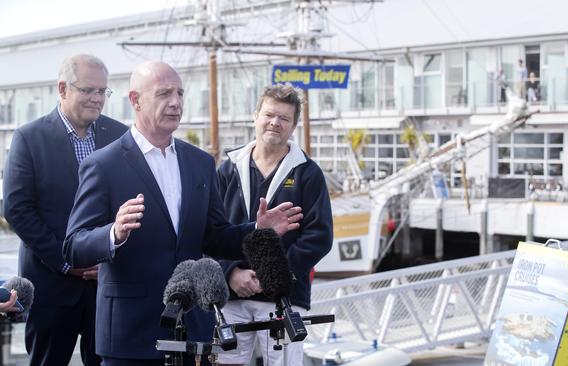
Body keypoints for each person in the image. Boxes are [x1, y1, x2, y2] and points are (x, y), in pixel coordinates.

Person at [63, 61, 303, 366]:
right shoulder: (103, 165)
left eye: (180, 93)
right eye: (164, 93)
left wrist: (257, 228)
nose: (176, 102)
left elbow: (214, 236)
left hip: (194, 331)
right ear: (135, 100)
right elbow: (73, 246)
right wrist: (114, 232)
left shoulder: (200, 162)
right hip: (131, 333)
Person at [3, 54, 128, 366]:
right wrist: (65, 261)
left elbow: (129, 199)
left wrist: (110, 255)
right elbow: (17, 209)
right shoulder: (29, 137)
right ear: (62, 89)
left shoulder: (120, 135)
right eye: (88, 90)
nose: (97, 99)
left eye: (102, 91)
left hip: (106, 282)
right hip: (50, 285)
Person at [215, 84, 333, 366]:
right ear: (256, 115)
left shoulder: (307, 172)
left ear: (293, 126)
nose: (275, 123)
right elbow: (210, 231)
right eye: (269, 114)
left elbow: (319, 237)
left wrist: (272, 275)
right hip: (232, 294)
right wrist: (230, 273)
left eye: (284, 118)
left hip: (285, 299)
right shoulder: (228, 168)